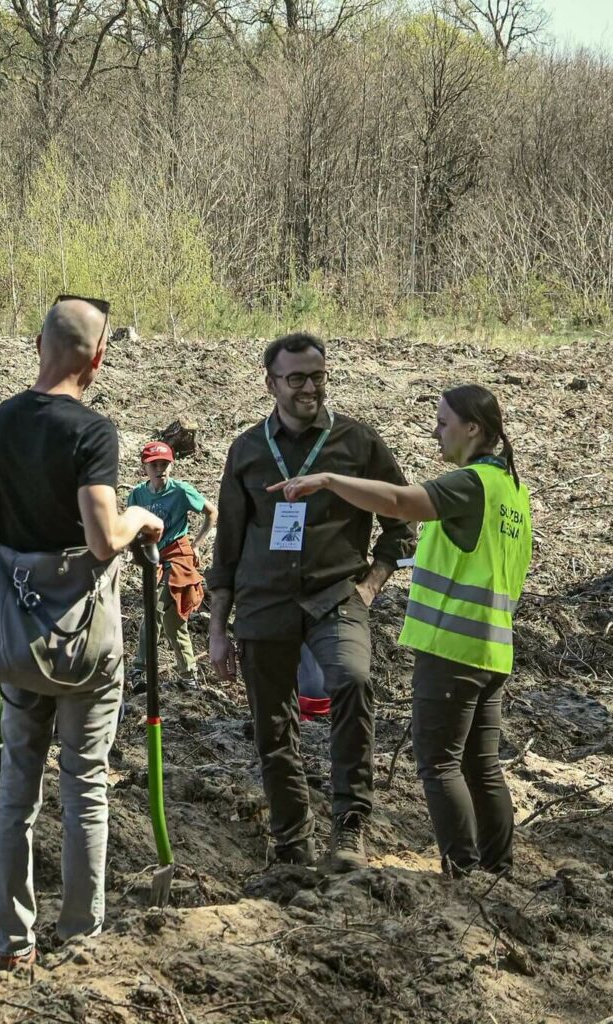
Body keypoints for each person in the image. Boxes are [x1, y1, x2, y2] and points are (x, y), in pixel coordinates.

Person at [0, 296, 163, 970]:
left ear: (38, 344)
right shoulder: (93, 432)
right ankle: (81, 934)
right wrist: (141, 521)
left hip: (15, 641)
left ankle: (13, 942)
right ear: (98, 358)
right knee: (85, 785)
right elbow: (102, 540)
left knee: (18, 790)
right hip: (85, 644)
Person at [269, 384, 530, 877]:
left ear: (473, 428)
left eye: (444, 422)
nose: (436, 430)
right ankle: (498, 874)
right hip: (493, 650)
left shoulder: (471, 483)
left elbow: (397, 501)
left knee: (439, 764)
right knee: (481, 764)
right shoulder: (512, 489)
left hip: (452, 648)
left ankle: (464, 871)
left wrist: (328, 480)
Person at [206, 332, 416, 872]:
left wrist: (370, 586)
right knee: (272, 727)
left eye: (317, 375)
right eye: (296, 377)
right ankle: (291, 840)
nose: (309, 387)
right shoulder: (248, 450)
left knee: (352, 679)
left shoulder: (358, 442)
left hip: (336, 595)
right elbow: (227, 542)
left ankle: (349, 828)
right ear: (271, 382)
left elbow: (401, 523)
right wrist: (217, 627)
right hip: (263, 603)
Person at [128, 440, 217, 689]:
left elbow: (212, 512)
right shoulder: (137, 494)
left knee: (157, 610)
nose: (161, 469)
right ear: (145, 466)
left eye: (165, 464)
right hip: (153, 558)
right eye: (155, 464)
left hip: (177, 557)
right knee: (173, 622)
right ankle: (188, 674)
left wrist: (197, 544)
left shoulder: (181, 491)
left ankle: (140, 670)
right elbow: (132, 525)